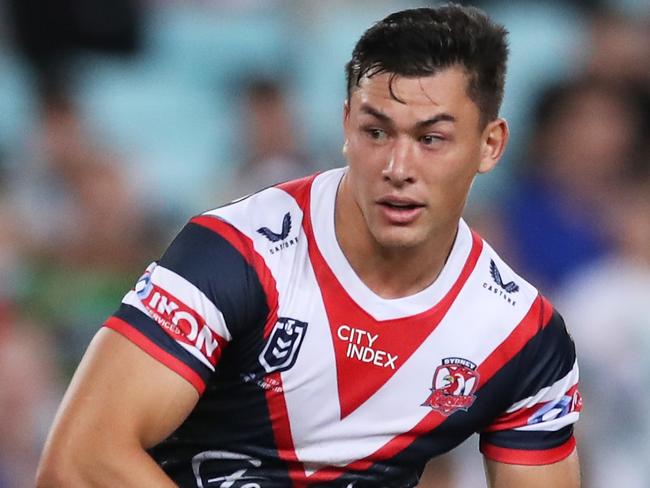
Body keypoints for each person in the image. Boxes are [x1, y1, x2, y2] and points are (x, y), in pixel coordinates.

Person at [36, 5, 582, 487]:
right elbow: (77, 462)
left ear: (490, 145)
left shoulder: (524, 340)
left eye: (431, 139)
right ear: (345, 125)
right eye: (376, 132)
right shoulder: (235, 253)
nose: (397, 168)